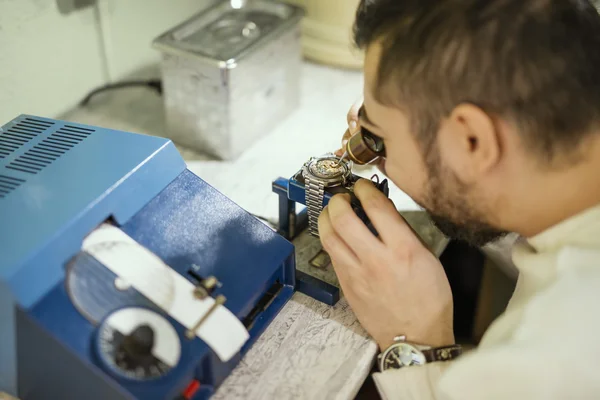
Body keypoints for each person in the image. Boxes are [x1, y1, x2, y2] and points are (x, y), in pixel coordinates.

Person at [317, 0, 600, 398]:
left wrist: (417, 339)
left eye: (378, 137)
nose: (372, 151)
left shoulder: (546, 360)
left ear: (471, 140)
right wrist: (412, 130)